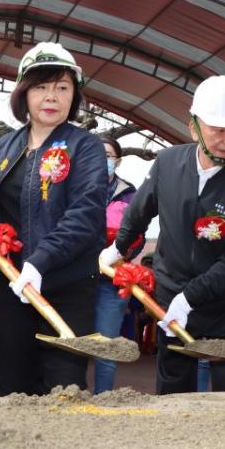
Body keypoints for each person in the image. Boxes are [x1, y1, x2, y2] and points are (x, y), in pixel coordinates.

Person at [0, 41, 108, 395]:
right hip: (14, 284)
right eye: (41, 87)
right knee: (15, 381)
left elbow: (85, 214)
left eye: (62, 88)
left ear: (75, 96)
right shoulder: (9, 144)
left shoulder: (86, 147)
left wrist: (40, 262)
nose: (51, 97)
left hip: (65, 283)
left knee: (62, 384)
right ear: (24, 93)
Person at [103, 75, 225, 395]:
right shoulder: (168, 163)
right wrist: (118, 246)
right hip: (172, 293)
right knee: (174, 387)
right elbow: (140, 210)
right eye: (218, 130)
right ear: (194, 127)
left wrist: (190, 297)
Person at [94, 138, 139, 394]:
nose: (104, 160)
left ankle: (103, 400)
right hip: (75, 281)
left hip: (111, 282)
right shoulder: (73, 186)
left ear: (118, 161)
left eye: (109, 155)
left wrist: (121, 251)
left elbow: (136, 232)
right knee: (71, 344)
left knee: (106, 349)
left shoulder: (130, 194)